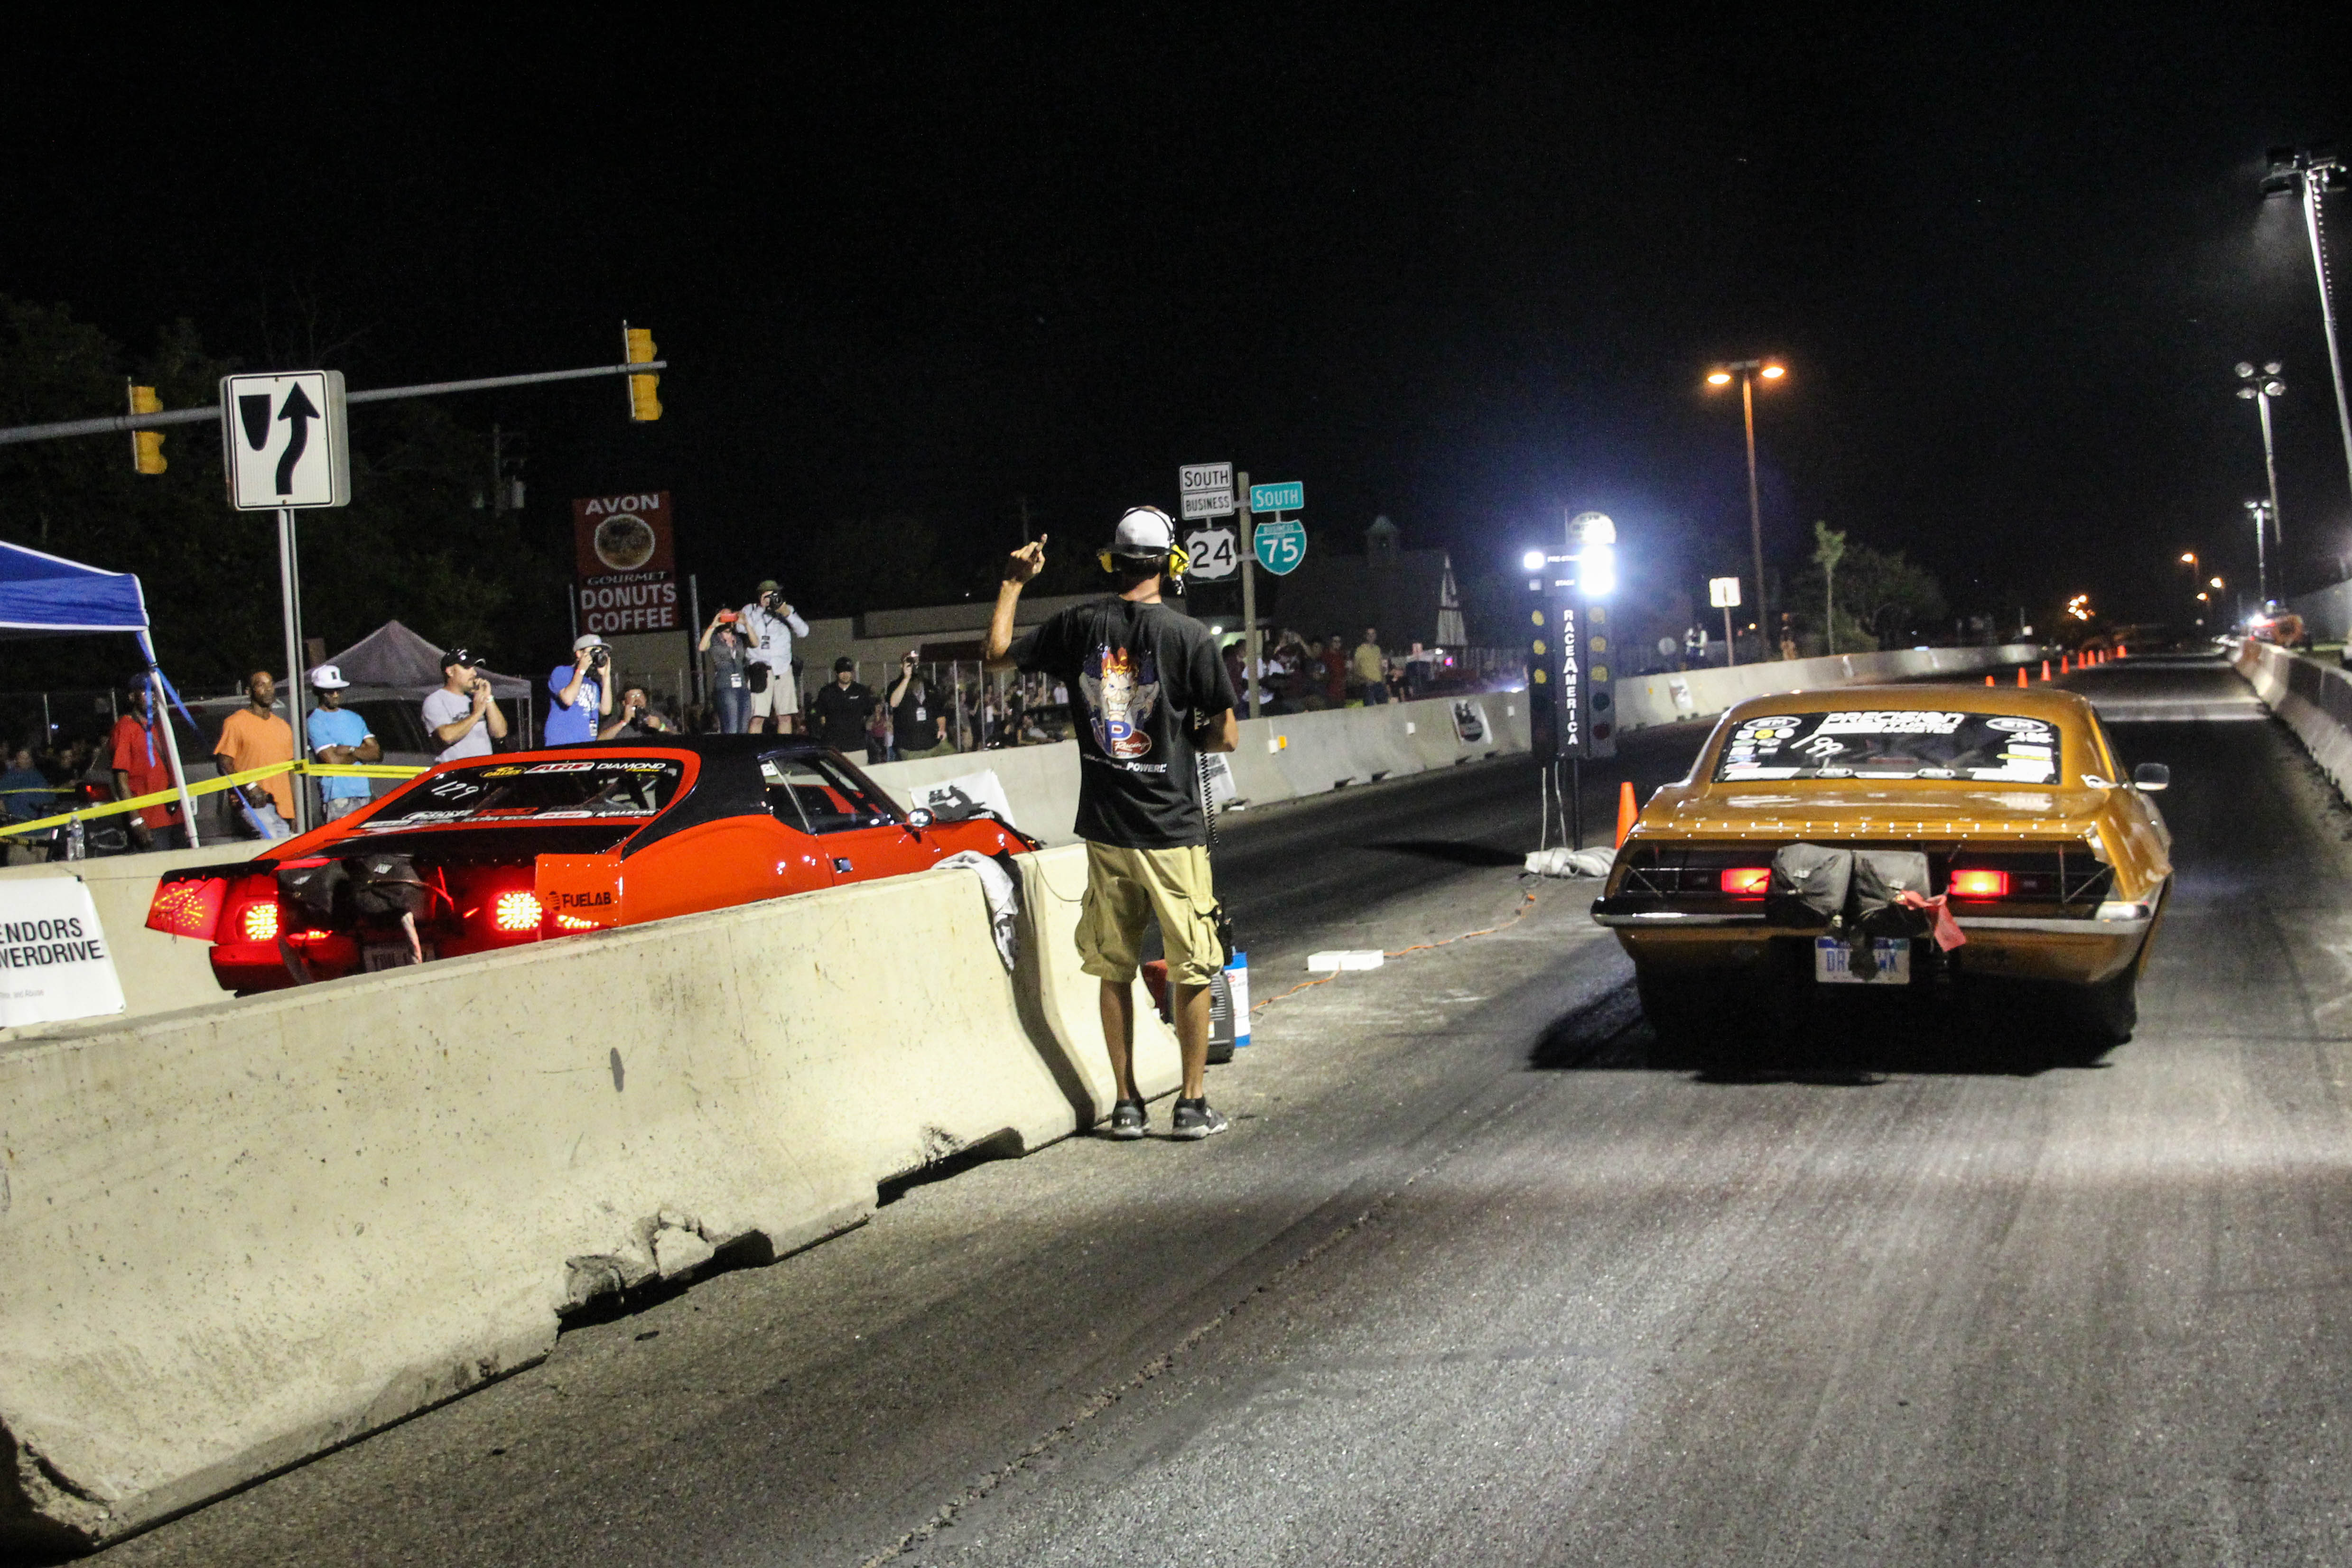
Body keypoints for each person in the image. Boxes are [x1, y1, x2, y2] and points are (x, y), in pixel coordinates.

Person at [985, 508, 1241, 1141]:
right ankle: (1190, 1103)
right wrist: (1186, 733)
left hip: (1105, 829)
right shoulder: (1190, 637)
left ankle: (1126, 1104)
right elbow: (1226, 735)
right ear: (1169, 564)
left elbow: (994, 655)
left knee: (1112, 968)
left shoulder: (1079, 626)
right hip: (1173, 830)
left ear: (1113, 561)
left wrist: (1014, 582)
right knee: (1191, 965)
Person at [214, 668, 296, 837]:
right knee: (270, 839)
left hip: (283, 807)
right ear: (249, 692)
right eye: (261, 685)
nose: (268, 689)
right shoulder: (235, 723)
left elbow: (291, 771)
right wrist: (249, 787)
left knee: (285, 854)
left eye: (271, 685)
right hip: (253, 803)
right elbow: (224, 764)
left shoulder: (283, 727)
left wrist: (295, 810)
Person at [108, 676, 186, 851]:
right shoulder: (126, 728)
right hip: (149, 821)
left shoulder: (162, 724)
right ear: (131, 697)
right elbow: (121, 781)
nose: (151, 697)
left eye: (154, 692)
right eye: (145, 692)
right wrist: (136, 820)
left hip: (175, 817)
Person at [304, 664, 381, 822]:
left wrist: (350, 750)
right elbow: (332, 760)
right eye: (330, 691)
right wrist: (360, 754)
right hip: (337, 797)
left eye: (338, 690)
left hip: (364, 794)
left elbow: (376, 753)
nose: (335, 695)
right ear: (319, 692)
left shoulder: (354, 718)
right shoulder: (315, 722)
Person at [740, 580, 810, 734]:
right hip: (760, 670)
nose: (771, 598)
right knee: (757, 717)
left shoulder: (786, 610)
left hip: (783, 669)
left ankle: (783, 752)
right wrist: (761, 609)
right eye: (767, 595)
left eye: (774, 594)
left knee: (785, 716)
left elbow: (804, 632)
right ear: (760, 597)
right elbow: (741, 627)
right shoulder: (751, 609)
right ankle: (755, 753)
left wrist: (786, 613)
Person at [422, 647, 508, 762]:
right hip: (457, 775)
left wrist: (489, 698)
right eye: (467, 668)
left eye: (474, 668)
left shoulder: (475, 700)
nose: (474, 673)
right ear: (450, 672)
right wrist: (476, 714)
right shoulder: (435, 701)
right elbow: (447, 737)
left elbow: (500, 733)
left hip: (483, 772)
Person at [547, 634, 615, 746]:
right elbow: (568, 699)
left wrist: (606, 677)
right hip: (562, 743)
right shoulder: (562, 672)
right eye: (594, 651)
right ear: (579, 654)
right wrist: (581, 670)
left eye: (600, 652)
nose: (597, 656)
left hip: (587, 743)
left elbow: (606, 710)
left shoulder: (593, 682)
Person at [808, 656, 877, 755]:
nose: (845, 675)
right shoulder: (827, 692)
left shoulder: (861, 691)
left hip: (857, 746)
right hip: (834, 747)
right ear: (836, 673)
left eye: (848, 671)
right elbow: (817, 713)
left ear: (852, 673)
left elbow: (870, 712)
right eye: (842, 671)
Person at [889, 654, 953, 759]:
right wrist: (907, 678)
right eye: (908, 661)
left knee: (953, 757)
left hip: (933, 744)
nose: (912, 665)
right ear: (902, 666)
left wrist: (942, 729)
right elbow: (894, 703)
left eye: (914, 661)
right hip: (910, 748)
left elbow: (940, 714)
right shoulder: (896, 686)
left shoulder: (929, 686)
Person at [700, 610, 752, 734]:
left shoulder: (738, 639)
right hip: (725, 687)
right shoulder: (714, 639)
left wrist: (746, 624)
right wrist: (714, 625)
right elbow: (702, 647)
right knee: (731, 728)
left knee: (744, 728)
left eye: (730, 616)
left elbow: (756, 643)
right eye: (725, 616)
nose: (728, 620)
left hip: (743, 687)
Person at [600, 686, 676, 741]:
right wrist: (624, 722)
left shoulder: (657, 717)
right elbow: (600, 739)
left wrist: (660, 727)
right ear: (624, 703)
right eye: (632, 696)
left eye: (640, 695)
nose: (637, 699)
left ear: (645, 699)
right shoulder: (615, 720)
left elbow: (677, 737)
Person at [1352, 628, 1388, 705]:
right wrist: (1365, 680)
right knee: (1370, 709)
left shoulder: (1378, 649)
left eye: (1373, 634)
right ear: (1366, 636)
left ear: (1376, 636)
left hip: (1379, 684)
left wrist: (1384, 681)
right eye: (1369, 634)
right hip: (1368, 686)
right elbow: (1356, 668)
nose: (1371, 636)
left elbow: (1381, 666)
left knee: (1384, 709)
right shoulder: (1360, 650)